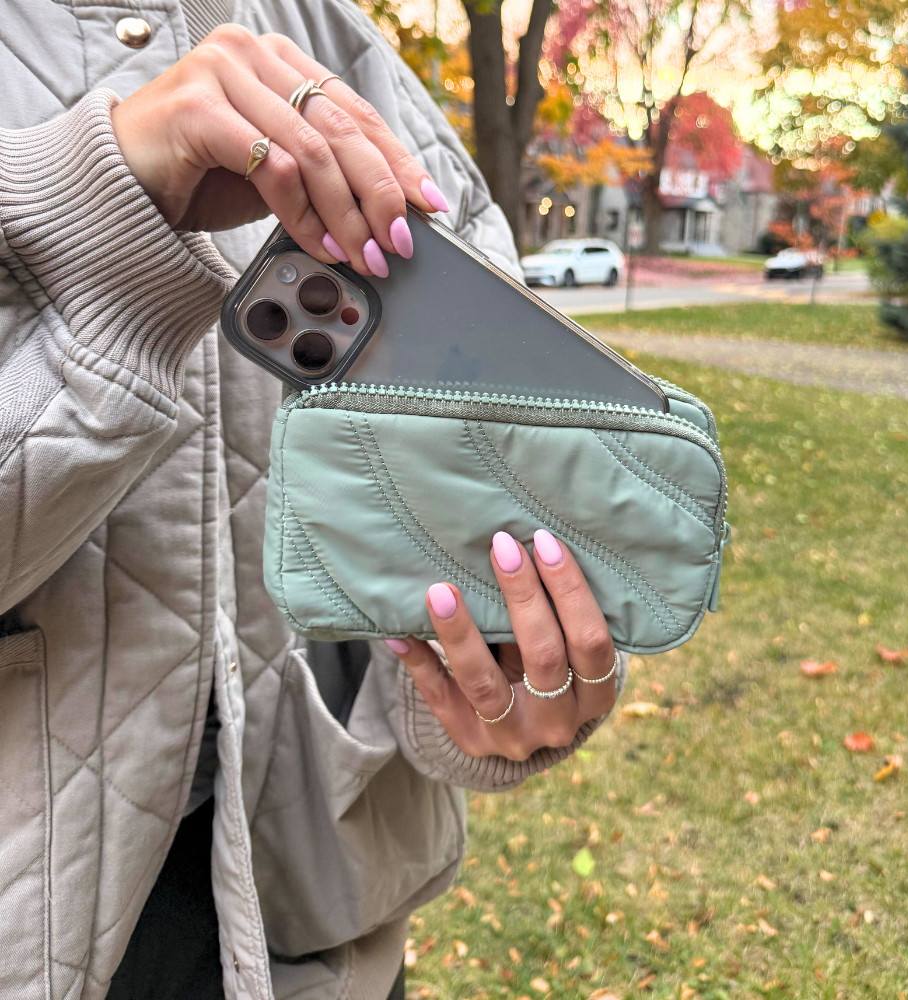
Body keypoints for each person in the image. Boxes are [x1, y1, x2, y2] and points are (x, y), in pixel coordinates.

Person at [0, 2, 626, 998]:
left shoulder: (337, 43)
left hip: (320, 947)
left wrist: (486, 686)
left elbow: (507, 472)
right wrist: (99, 212)